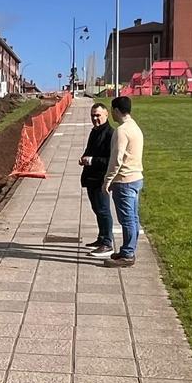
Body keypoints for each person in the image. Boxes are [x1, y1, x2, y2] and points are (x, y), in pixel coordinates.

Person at [103, 96, 144, 267]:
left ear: (116, 110)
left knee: (126, 219)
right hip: (136, 178)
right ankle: (128, 248)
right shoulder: (135, 127)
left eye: (112, 110)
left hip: (124, 180)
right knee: (133, 217)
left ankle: (128, 254)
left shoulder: (122, 131)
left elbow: (116, 159)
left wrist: (108, 180)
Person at [79, 103, 114, 258]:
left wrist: (92, 160)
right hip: (91, 177)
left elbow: (110, 160)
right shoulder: (94, 131)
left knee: (103, 210)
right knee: (96, 209)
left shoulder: (110, 134)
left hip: (101, 178)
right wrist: (84, 158)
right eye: (92, 115)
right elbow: (89, 150)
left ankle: (107, 242)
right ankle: (101, 238)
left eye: (98, 115)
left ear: (106, 115)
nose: (95, 118)